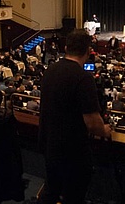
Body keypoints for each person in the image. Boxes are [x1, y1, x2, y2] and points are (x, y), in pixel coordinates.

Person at [39, 29, 112, 204]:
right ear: (88, 51)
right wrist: (105, 130)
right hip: (72, 152)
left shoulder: (50, 69)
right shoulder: (83, 78)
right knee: (74, 196)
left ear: (66, 47)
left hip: (49, 145)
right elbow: (93, 123)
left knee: (52, 190)